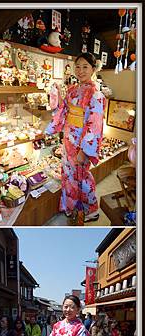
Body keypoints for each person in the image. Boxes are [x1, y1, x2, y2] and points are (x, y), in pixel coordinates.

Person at [45, 52, 105, 224]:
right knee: (69, 174)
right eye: (77, 66)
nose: (80, 70)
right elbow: (62, 111)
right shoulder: (72, 90)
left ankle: (91, 209)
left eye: (85, 67)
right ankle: (70, 206)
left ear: (93, 69)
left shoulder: (96, 95)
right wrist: (55, 97)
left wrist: (85, 150)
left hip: (82, 143)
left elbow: (95, 124)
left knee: (83, 175)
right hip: (68, 139)